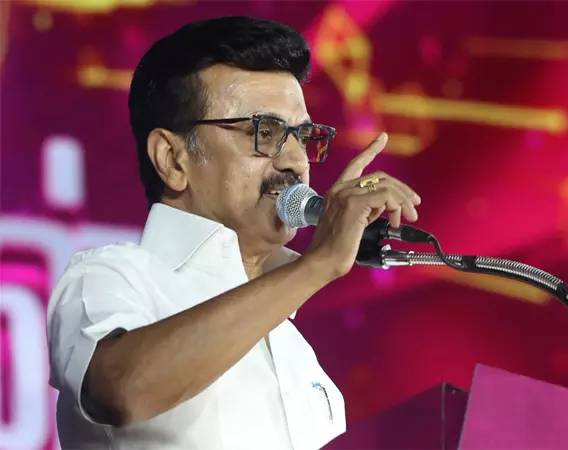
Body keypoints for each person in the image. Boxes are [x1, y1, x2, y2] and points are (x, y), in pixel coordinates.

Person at [46, 16, 420, 450]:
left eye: (302, 137)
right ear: (172, 159)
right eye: (265, 132)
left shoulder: (299, 356)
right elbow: (122, 390)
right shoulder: (110, 277)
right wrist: (317, 265)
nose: (296, 161)